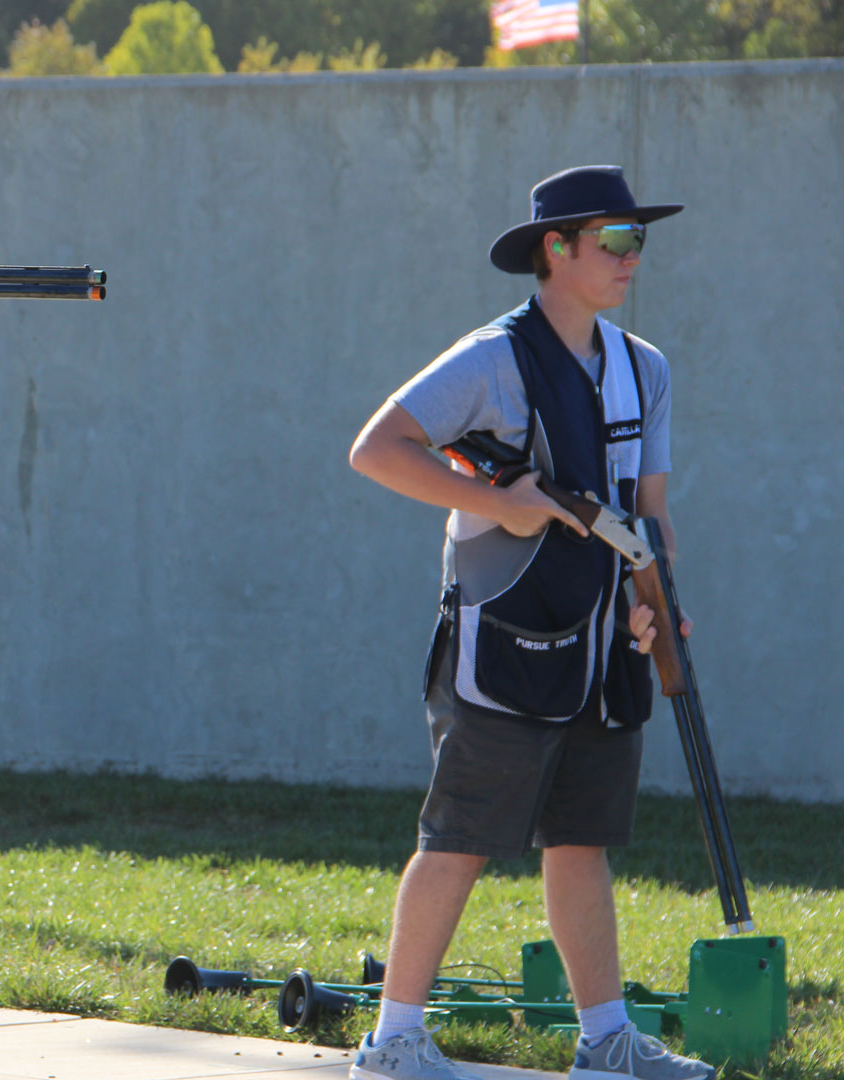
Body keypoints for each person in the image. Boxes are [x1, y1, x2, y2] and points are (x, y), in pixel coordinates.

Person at [347, 166, 714, 1080]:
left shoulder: (645, 368)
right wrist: (500, 506)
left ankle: (607, 1042)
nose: (632, 257)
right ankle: (392, 1042)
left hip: (603, 656)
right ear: (556, 250)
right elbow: (376, 449)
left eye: (638, 240)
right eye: (615, 240)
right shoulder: (491, 359)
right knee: (459, 839)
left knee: (582, 841)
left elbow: (650, 516)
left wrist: (656, 607)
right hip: (501, 648)